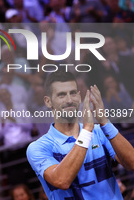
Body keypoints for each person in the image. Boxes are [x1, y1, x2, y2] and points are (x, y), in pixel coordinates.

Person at [26, 71, 134, 199]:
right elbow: (62, 180)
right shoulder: (38, 148)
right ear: (48, 101)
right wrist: (87, 131)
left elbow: (131, 163)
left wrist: (105, 121)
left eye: (72, 93)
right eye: (61, 95)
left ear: (79, 96)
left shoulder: (100, 131)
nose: (69, 100)